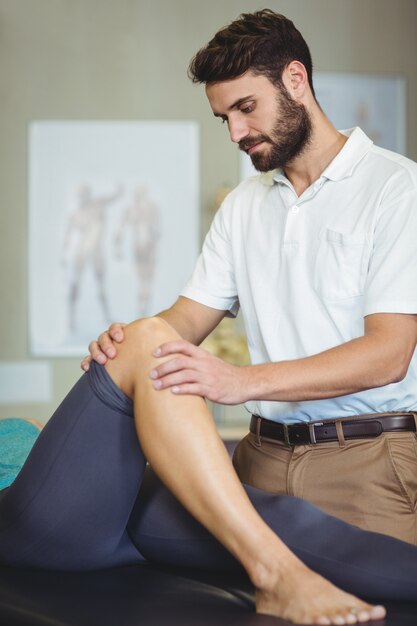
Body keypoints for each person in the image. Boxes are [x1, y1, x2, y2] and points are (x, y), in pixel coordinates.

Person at [1, 9, 416, 626]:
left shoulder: (395, 189)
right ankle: (275, 571)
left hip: (366, 463)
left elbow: (389, 354)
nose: (235, 133)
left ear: (295, 80)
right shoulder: (245, 206)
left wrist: (238, 381)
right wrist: (128, 344)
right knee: (147, 344)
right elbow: (184, 321)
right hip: (258, 462)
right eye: (225, 117)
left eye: (246, 108)